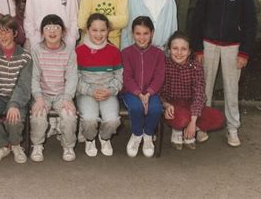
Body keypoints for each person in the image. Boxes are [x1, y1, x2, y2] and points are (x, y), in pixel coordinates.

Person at [192, 0, 257, 147]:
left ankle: (232, 128)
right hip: (208, 45)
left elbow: (250, 26)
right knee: (205, 87)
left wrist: (244, 52)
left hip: (233, 48)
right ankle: (202, 125)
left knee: (231, 89)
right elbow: (197, 22)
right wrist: (198, 49)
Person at [0, 15, 32, 164]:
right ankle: (3, 145)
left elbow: (24, 85)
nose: (3, 36)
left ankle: (16, 145)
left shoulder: (25, 56)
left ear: (15, 33)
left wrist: (14, 104)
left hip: (18, 98)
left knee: (14, 119)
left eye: (7, 32)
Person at [162, 31, 224, 150]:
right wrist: (165, 105)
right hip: (172, 105)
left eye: (183, 49)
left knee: (219, 118)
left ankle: (189, 129)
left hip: (191, 105)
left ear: (189, 51)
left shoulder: (196, 67)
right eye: (175, 48)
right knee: (182, 118)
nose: (179, 53)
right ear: (169, 50)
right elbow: (158, 90)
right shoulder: (164, 65)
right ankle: (177, 130)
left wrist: (193, 122)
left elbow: (199, 93)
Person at [30, 14, 78, 162]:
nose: (52, 31)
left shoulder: (69, 50)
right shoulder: (36, 50)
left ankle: (68, 145)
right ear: (42, 32)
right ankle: (37, 145)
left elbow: (72, 76)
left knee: (69, 116)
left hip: (61, 94)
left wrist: (68, 97)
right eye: (48, 28)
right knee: (38, 116)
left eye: (57, 28)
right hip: (42, 94)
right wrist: (38, 97)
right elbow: (34, 76)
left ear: (63, 32)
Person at [76, 13, 122, 157]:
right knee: (89, 120)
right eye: (94, 30)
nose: (98, 34)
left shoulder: (114, 51)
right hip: (86, 93)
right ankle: (90, 139)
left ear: (108, 31)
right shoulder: (79, 51)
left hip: (108, 93)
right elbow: (74, 79)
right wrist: (90, 91)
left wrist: (110, 91)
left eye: (102, 30)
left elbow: (119, 78)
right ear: (87, 30)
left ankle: (104, 137)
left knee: (113, 120)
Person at [121, 16, 165, 158]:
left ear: (152, 33)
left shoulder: (158, 54)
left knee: (156, 109)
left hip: (152, 92)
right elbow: (126, 77)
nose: (142, 37)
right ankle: (137, 134)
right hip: (131, 92)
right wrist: (139, 94)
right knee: (136, 107)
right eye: (138, 33)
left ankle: (148, 135)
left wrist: (148, 94)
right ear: (132, 34)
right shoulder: (126, 53)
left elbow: (159, 77)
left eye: (145, 33)